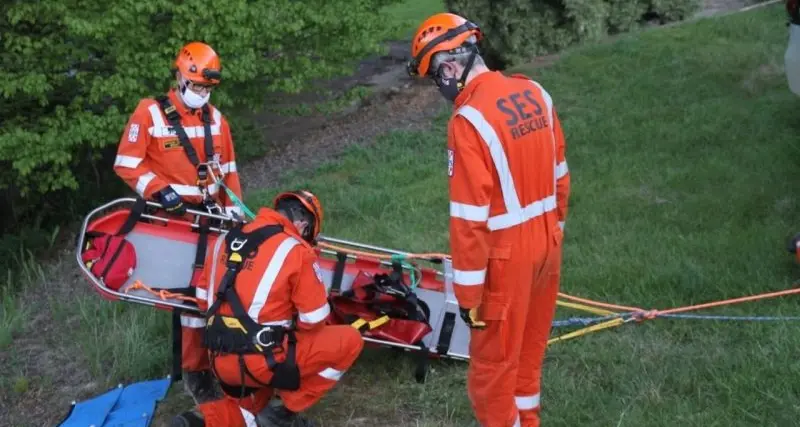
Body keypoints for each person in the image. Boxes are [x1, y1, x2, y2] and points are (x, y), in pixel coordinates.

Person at [406, 13, 571, 427]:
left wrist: (468, 296)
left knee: (491, 374)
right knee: (527, 359)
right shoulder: (535, 93)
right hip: (548, 244)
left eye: (434, 76)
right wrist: (554, 234)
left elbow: (468, 221)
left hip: (505, 258)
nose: (439, 86)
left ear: (448, 65)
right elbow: (561, 179)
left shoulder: (468, 121)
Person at [112, 41, 244, 404]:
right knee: (187, 300)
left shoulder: (217, 120)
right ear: (180, 78)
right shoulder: (150, 113)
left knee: (213, 294)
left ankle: (221, 362)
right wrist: (159, 191)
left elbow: (228, 172)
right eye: (197, 86)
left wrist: (234, 211)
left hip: (211, 220)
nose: (202, 94)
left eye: (207, 88)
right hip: (172, 221)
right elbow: (126, 163)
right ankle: (195, 372)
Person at [171, 190, 365, 427]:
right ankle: (284, 411)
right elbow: (314, 320)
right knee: (350, 340)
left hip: (219, 359)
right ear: (303, 225)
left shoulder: (224, 240)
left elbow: (202, 300)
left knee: (248, 412)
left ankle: (197, 421)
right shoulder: (296, 250)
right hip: (263, 361)